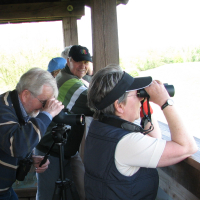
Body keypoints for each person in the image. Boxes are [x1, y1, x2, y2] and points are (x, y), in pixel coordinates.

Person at [84, 64, 198, 200]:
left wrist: (145, 104)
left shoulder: (101, 127)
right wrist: (165, 102)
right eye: (136, 94)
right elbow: (187, 147)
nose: (140, 97)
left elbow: (154, 137)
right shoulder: (126, 143)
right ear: (119, 106)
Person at [35, 45, 93, 200]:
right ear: (69, 61)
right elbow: (97, 103)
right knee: (47, 195)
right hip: (51, 149)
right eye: (78, 61)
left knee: (69, 192)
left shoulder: (74, 78)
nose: (83, 66)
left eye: (86, 62)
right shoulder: (69, 83)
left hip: (65, 149)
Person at [0, 67, 64, 200]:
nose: (43, 108)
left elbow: (9, 144)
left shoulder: (20, 110)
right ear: (25, 95)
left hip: (5, 188)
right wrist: (48, 114)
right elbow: (17, 146)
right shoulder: (3, 109)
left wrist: (30, 159)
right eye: (44, 102)